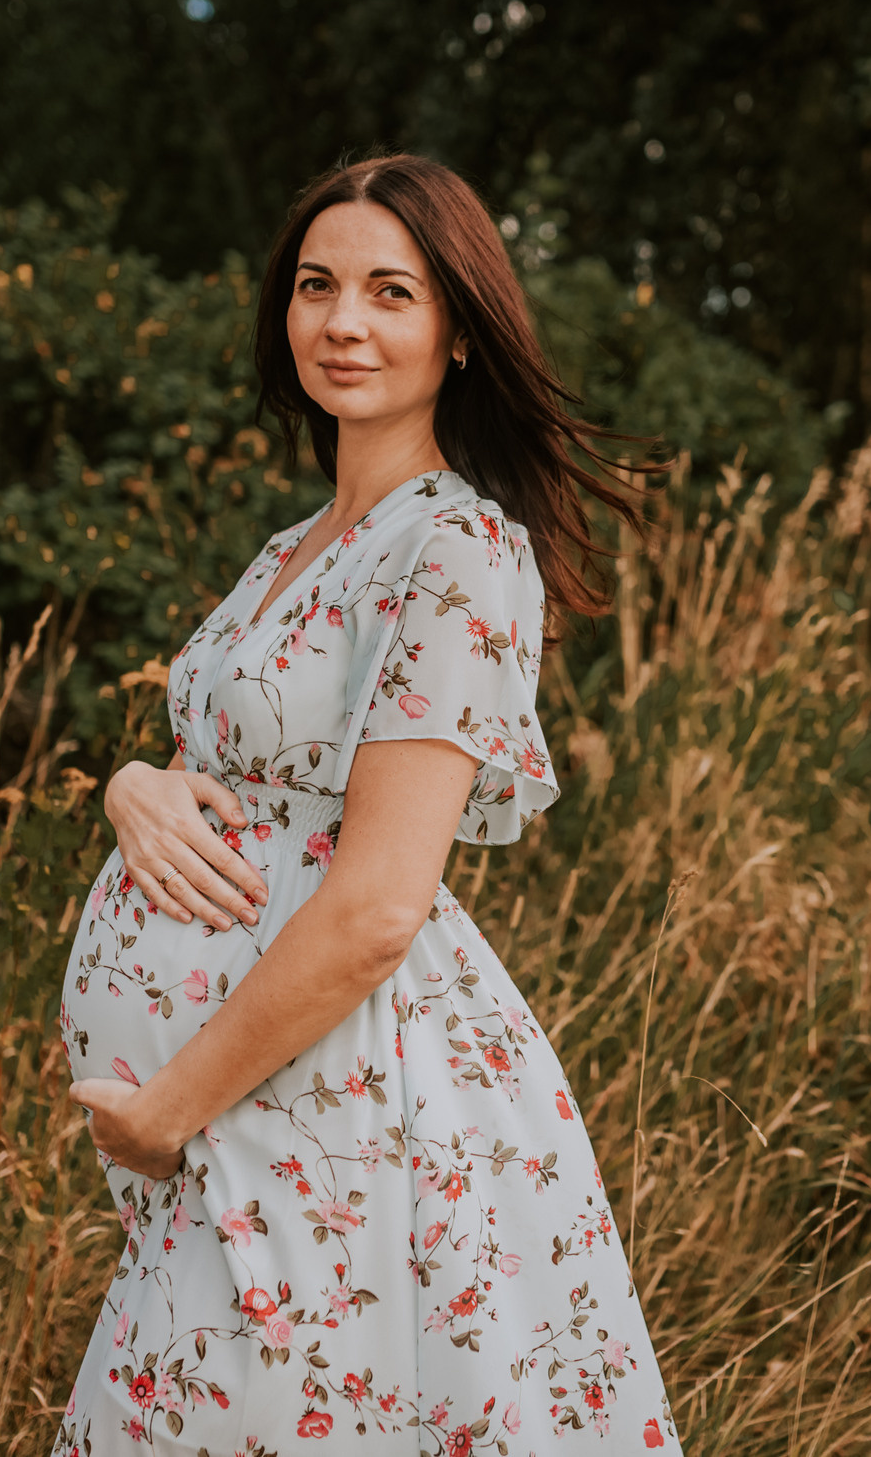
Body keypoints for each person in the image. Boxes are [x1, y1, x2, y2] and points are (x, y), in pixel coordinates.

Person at [54, 154, 683, 1454]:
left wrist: (165, 1109)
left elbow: (383, 903)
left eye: (392, 291)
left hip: (322, 1098)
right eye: (317, 284)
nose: (344, 320)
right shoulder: (297, 546)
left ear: (458, 330)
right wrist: (128, 784)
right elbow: (217, 764)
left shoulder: (454, 548)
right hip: (242, 1107)